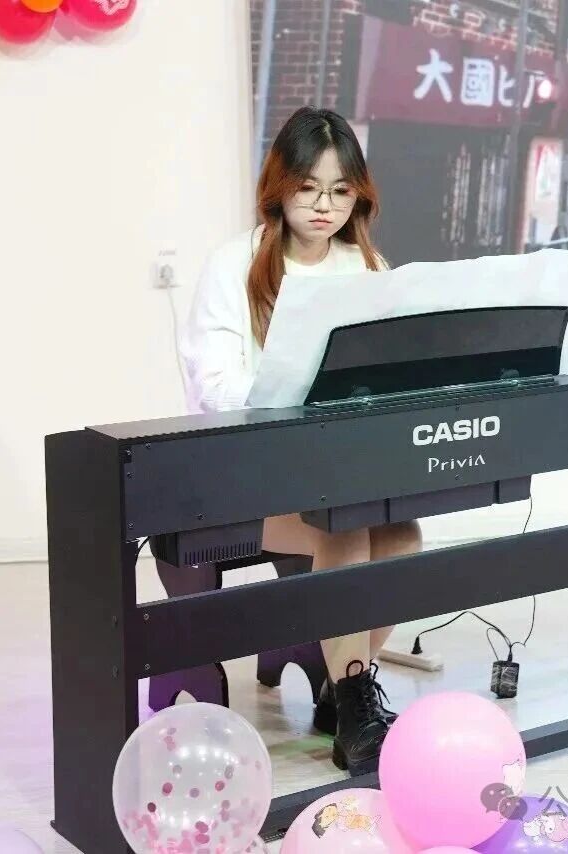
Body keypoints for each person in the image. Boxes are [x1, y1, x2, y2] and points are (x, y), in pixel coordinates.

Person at [180, 106, 422, 776]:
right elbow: (214, 388)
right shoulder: (235, 264)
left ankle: (344, 692)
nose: (323, 206)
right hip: (239, 474)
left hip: (339, 472)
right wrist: (304, 395)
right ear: (279, 186)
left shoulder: (366, 264)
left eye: (340, 191)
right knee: (342, 528)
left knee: (404, 538)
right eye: (308, 188)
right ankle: (355, 706)